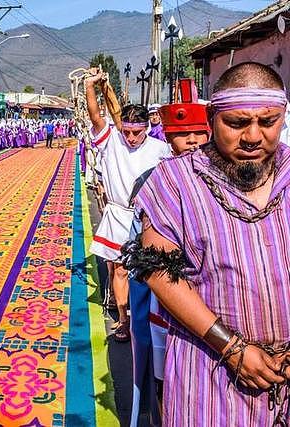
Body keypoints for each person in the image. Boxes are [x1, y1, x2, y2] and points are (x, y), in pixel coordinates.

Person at [127, 62, 290, 425]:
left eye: (268, 122)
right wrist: (232, 349)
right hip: (211, 375)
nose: (252, 136)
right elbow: (156, 271)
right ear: (212, 117)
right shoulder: (175, 181)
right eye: (236, 123)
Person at [125, 79, 211, 427]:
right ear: (168, 136)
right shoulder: (150, 180)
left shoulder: (227, 177)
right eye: (182, 133)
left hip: (214, 292)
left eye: (198, 132)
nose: (191, 141)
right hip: (162, 296)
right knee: (165, 377)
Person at [85, 68, 170, 342]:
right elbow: (96, 115)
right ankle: (123, 320)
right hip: (119, 215)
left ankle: (150, 315)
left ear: (146, 128)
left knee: (149, 271)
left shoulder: (160, 149)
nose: (131, 138)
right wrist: (90, 86)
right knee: (119, 269)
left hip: (148, 218)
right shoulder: (112, 140)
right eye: (127, 132)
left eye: (137, 132)